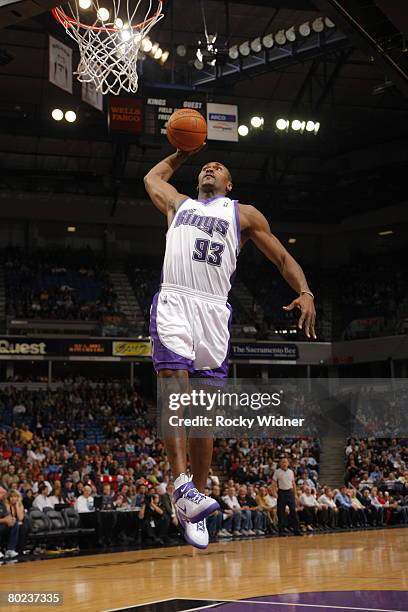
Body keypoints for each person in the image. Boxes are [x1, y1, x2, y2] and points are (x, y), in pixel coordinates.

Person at [144, 148, 316, 549]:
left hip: (214, 312)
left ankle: (195, 498)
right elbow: (152, 179)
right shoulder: (178, 204)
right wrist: (182, 152)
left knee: (205, 414)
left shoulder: (243, 214)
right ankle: (180, 484)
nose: (210, 168)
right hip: (176, 299)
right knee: (174, 385)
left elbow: (282, 257)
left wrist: (305, 291)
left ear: (228, 184)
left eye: (218, 167)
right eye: (206, 166)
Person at [271, 457, 302, 536]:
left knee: (293, 512)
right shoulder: (277, 472)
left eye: (285, 462)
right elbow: (274, 483)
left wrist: (295, 494)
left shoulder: (291, 472)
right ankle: (281, 531)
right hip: (281, 492)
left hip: (290, 492)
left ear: (288, 463)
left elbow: (293, 483)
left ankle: (296, 530)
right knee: (281, 512)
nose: (284, 463)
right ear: (280, 463)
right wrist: (274, 492)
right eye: (283, 462)